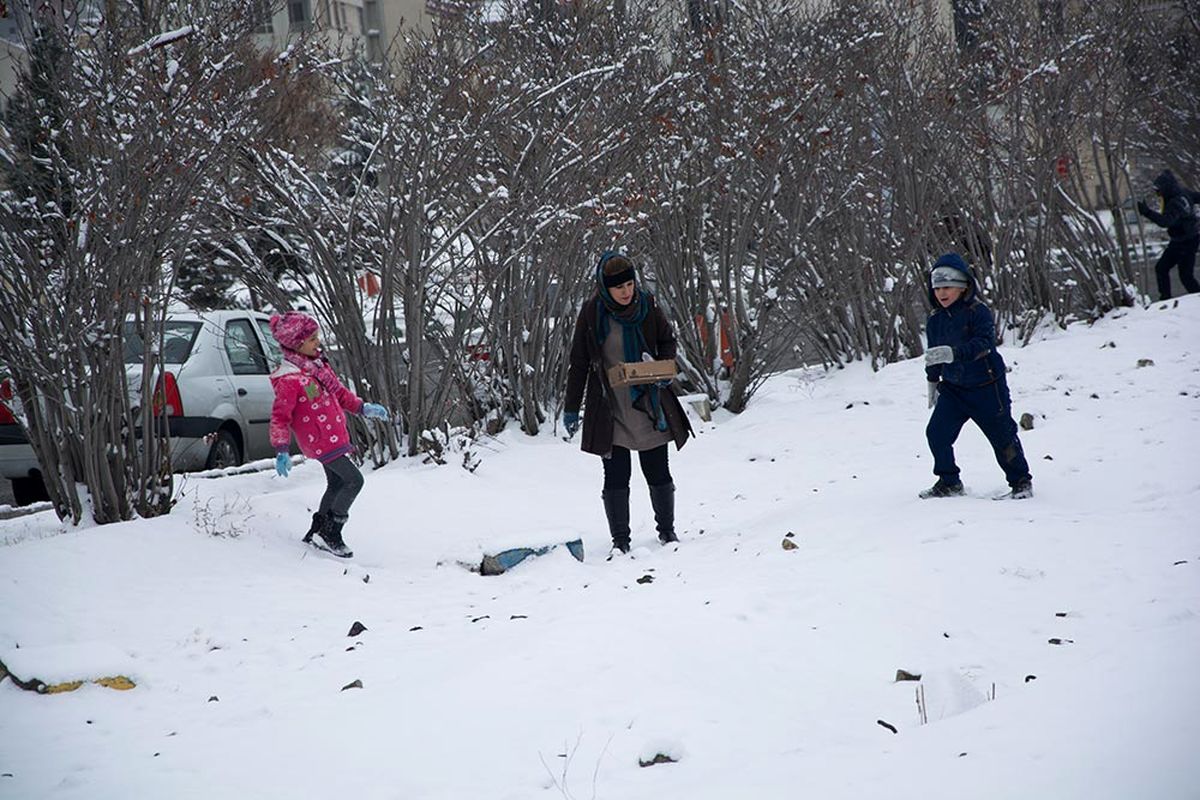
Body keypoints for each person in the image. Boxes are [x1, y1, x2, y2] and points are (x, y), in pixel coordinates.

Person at [563, 251, 694, 554]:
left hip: (649, 401)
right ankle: (620, 541)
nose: (626, 292)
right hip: (611, 407)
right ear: (605, 288)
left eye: (629, 285)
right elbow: (579, 362)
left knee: (657, 468)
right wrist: (572, 407)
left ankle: (667, 532)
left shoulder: (646, 305)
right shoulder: (592, 313)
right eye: (618, 287)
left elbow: (667, 340)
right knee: (617, 475)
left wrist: (661, 365)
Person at [268, 310, 389, 558]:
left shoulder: (317, 368)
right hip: (320, 440)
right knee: (354, 481)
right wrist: (281, 449)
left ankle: (317, 530)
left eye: (316, 337)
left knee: (336, 483)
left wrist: (363, 408)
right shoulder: (290, 379)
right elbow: (280, 417)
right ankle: (331, 533)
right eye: (312, 339)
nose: (318, 342)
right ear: (297, 344)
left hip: (333, 436)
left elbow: (341, 394)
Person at [921, 252, 1032, 500]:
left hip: (987, 387)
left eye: (947, 286)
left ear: (962, 286)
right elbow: (934, 354)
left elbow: (985, 344)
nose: (941, 293)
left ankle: (1021, 483)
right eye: (937, 287)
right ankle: (949, 482)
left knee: (1002, 436)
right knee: (936, 433)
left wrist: (954, 353)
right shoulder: (935, 320)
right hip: (953, 388)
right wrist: (932, 379)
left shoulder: (977, 311)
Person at [1136, 169, 1200, 301]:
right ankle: (1166, 298)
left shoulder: (1174, 203)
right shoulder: (1184, 193)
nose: (1157, 194)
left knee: (1183, 275)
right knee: (1166, 269)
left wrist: (1146, 212)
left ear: (1166, 188)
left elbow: (1165, 222)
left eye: (1158, 190)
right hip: (1185, 239)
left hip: (1185, 241)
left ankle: (1170, 299)